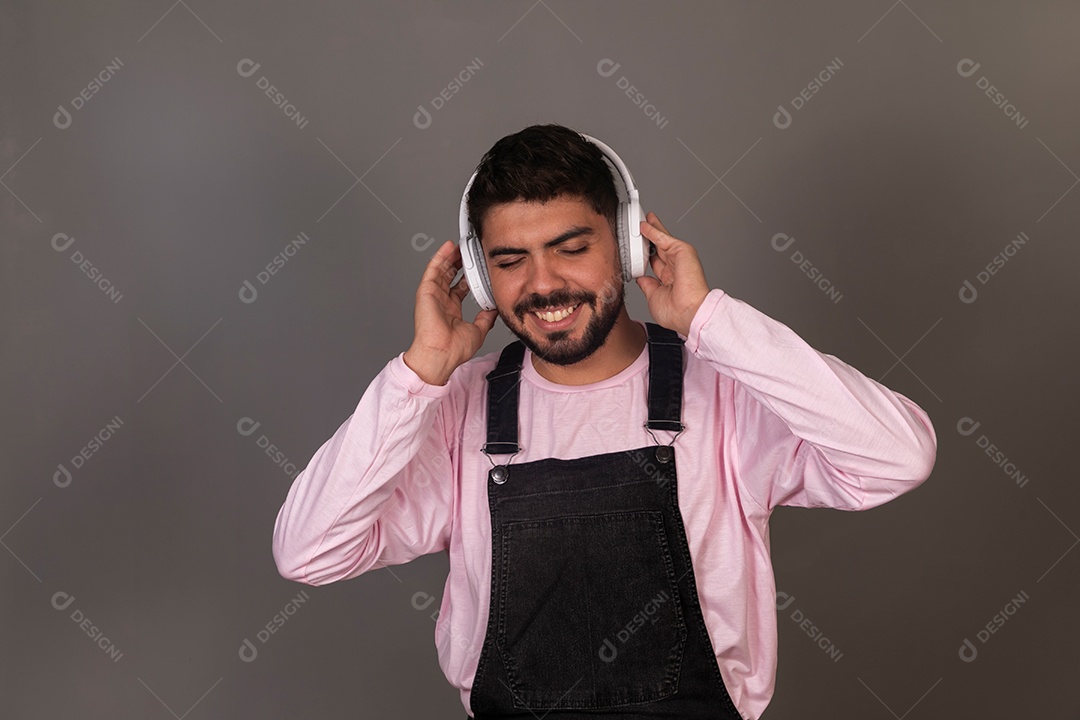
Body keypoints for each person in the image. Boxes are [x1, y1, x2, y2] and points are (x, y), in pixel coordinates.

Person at [272, 124, 937, 719]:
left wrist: (714, 323)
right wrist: (416, 376)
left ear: (625, 243)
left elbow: (896, 458)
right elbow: (308, 551)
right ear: (478, 274)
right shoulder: (453, 411)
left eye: (570, 247)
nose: (543, 283)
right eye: (509, 261)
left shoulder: (727, 389)